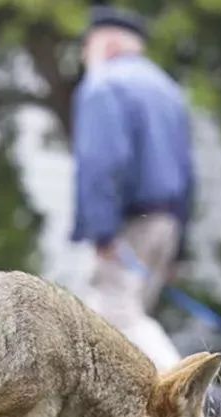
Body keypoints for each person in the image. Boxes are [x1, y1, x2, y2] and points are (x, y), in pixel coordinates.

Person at [71, 5, 194, 373]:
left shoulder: (103, 84)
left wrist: (101, 230)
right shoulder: (168, 90)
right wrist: (180, 246)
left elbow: (101, 162)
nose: (83, 57)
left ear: (105, 44)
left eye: (86, 47)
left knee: (116, 315)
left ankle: (192, 399)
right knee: (125, 320)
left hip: (130, 223)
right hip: (167, 222)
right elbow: (189, 170)